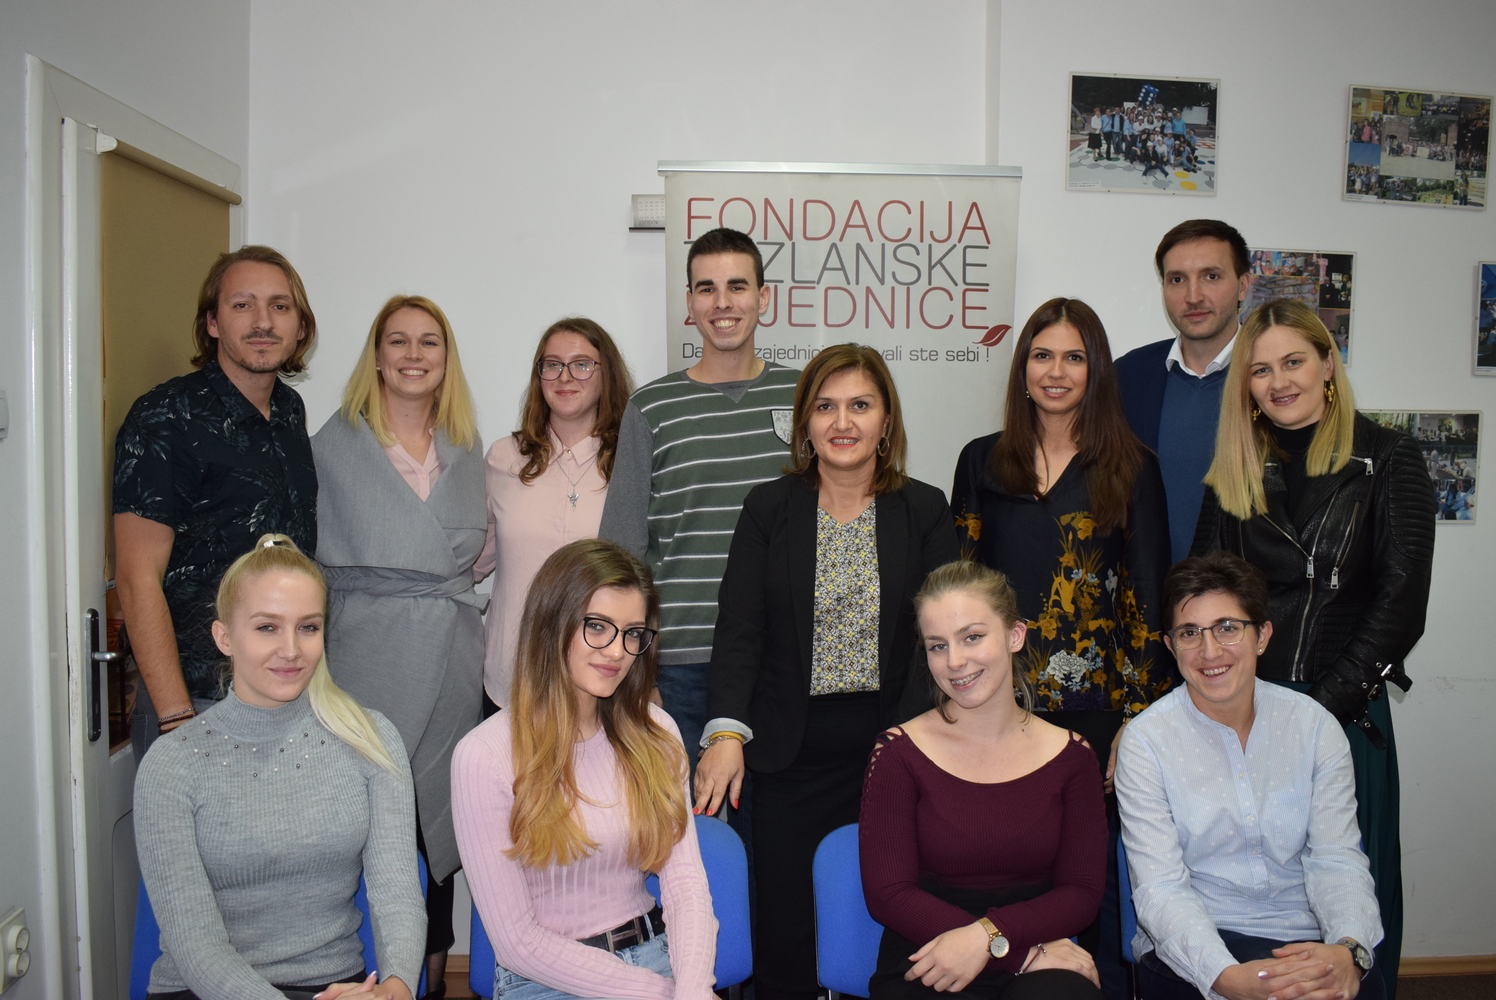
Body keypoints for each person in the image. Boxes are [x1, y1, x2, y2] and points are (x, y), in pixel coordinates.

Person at [696, 344, 959, 1000]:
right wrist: (725, 732)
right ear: (804, 424)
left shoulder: (924, 509)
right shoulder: (769, 507)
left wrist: (918, 741)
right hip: (789, 750)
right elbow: (740, 629)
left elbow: (940, 639)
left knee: (887, 921)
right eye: (825, 407)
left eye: (860, 406)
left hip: (893, 745)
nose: (843, 422)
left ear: (886, 421)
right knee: (785, 928)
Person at [1189, 299, 1435, 993]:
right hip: (1244, 711)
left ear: (1328, 363)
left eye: (1293, 361)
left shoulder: (1388, 457)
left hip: (1344, 708)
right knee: (1251, 896)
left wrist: (1318, 711)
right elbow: (1200, 591)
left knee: (1349, 900)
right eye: (1260, 370)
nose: (1279, 382)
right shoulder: (1234, 465)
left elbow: (1402, 604)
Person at [951, 297, 1169, 1000]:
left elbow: (1147, 599)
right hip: (996, 706)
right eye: (1042, 355)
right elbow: (961, 588)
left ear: (1095, 370)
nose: (1056, 371)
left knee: (1086, 876)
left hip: (1095, 712)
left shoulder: (1133, 467)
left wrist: (1138, 718)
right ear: (1022, 369)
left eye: (1074, 357)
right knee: (999, 861)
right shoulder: (982, 460)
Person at [134, 534, 424, 1000]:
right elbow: (195, 944)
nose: (291, 650)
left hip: (333, 987)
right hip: (205, 990)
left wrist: (395, 989)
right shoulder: (172, 764)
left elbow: (397, 891)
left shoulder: (371, 738)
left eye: (307, 627)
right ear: (224, 637)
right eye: (267, 627)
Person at [311, 295, 486, 998]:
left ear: (446, 359)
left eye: (429, 342)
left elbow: (475, 552)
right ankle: (361, 975)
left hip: (452, 658)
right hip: (365, 657)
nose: (414, 355)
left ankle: (430, 981)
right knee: (367, 823)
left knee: (432, 826)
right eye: (399, 341)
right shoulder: (332, 447)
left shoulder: (467, 449)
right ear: (377, 356)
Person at [451, 539, 716, 1000]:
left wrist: (692, 990)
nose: (617, 652)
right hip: (544, 981)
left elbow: (686, 884)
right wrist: (659, 995)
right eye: (597, 627)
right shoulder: (484, 754)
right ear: (552, 624)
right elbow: (517, 943)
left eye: (633, 633)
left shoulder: (657, 732)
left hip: (657, 956)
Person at [1116, 551, 1386, 1000]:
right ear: (1170, 646)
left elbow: (1337, 859)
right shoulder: (1146, 743)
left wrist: (1348, 949)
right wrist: (1224, 977)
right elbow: (1161, 888)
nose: (1209, 651)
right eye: (1189, 633)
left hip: (1309, 936)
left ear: (1262, 636)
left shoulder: (1314, 726)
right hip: (1197, 942)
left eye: (1228, 627)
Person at [859, 560, 1107, 1000]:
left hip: (1040, 950)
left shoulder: (1073, 756)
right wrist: (1012, 953)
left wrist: (990, 937)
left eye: (972, 637)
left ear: (1015, 635)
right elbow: (889, 893)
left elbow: (1082, 892)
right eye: (938, 646)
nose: (955, 661)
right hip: (931, 953)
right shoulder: (897, 753)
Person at [599, 227, 800, 766]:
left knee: (776, 817)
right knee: (690, 818)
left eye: (737, 286)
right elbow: (619, 554)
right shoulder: (651, 408)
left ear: (764, 297)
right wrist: (637, 670)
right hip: (682, 666)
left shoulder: (808, 398)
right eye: (707, 289)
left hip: (784, 655)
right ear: (690, 305)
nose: (722, 302)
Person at [114, 245, 319, 761]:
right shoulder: (166, 416)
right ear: (212, 322)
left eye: (279, 306)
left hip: (284, 693)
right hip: (198, 701)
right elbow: (137, 577)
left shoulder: (290, 411)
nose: (262, 322)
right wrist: (177, 719)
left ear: (300, 327)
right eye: (242, 305)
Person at [474, 317, 632, 711]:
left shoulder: (632, 463)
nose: (565, 377)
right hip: (511, 680)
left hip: (601, 683)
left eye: (582, 364)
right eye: (552, 364)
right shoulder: (503, 459)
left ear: (606, 374)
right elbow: (472, 559)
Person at [1114, 220, 1253, 563]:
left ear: (1243, 286)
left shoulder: (1272, 377)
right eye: (1177, 279)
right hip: (1149, 589)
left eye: (1211, 276)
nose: (1193, 296)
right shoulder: (1129, 375)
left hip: (1248, 590)